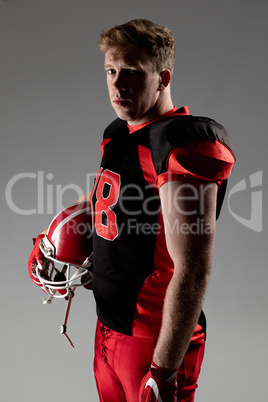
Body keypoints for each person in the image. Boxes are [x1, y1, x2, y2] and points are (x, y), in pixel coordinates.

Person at [28, 19, 236, 402]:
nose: (117, 84)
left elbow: (192, 270)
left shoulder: (179, 144)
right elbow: (108, 203)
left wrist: (164, 369)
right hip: (108, 326)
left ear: (162, 78)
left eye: (132, 72)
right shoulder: (119, 132)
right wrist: (54, 241)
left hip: (153, 341)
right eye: (111, 70)